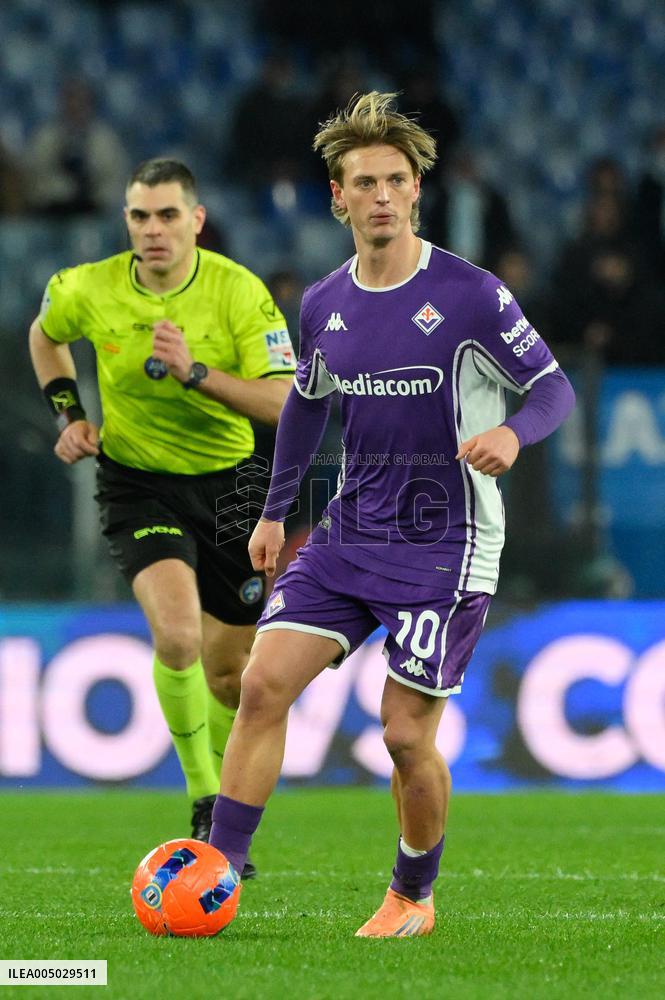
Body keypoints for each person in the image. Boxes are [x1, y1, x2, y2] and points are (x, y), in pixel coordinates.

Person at [208, 92, 575, 935]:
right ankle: (220, 872)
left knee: (405, 737)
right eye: (362, 181)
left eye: (395, 180)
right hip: (348, 532)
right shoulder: (323, 303)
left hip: (446, 544)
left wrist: (514, 436)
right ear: (336, 196)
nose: (380, 195)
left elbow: (552, 389)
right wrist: (273, 513)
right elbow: (305, 404)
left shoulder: (471, 295)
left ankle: (413, 895)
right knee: (261, 686)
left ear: (417, 191)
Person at [28, 159, 296, 874]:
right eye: (139, 217)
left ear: (196, 221)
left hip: (234, 488)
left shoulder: (238, 294)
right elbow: (44, 335)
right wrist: (70, 413)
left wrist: (197, 375)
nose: (152, 231)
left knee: (226, 675)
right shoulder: (88, 287)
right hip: (137, 482)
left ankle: (224, 793)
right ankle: (207, 800)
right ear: (127, 222)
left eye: (168, 215)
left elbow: (285, 403)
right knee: (176, 637)